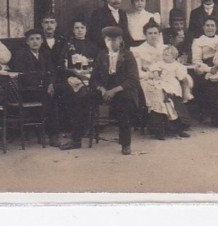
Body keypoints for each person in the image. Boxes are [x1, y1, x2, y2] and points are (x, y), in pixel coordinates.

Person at [89, 26, 142, 155]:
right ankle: (77, 138)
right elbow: (93, 79)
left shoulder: (128, 55)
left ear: (120, 40)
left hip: (122, 89)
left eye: (114, 40)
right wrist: (102, 89)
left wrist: (113, 91)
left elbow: (133, 80)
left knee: (124, 105)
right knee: (85, 97)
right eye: (108, 40)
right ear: (105, 41)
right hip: (105, 89)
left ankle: (125, 143)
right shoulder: (101, 55)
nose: (111, 43)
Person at [131, 22, 190, 140]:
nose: (153, 36)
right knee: (158, 92)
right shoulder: (137, 50)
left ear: (159, 34)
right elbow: (137, 72)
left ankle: (175, 127)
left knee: (172, 92)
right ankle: (159, 129)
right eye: (150, 33)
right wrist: (151, 75)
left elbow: (175, 64)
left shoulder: (166, 48)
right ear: (145, 35)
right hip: (147, 79)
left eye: (155, 33)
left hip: (167, 79)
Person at [10, 28, 59, 145]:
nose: (35, 42)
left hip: (43, 88)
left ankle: (53, 132)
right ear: (27, 42)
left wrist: (51, 84)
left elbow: (51, 72)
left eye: (38, 39)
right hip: (26, 91)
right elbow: (23, 76)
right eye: (31, 39)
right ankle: (51, 135)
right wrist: (44, 81)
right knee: (49, 99)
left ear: (42, 41)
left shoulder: (45, 54)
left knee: (57, 93)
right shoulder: (21, 55)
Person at [58, 18, 99, 150]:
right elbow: (63, 65)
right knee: (77, 96)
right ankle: (76, 138)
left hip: (90, 78)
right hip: (73, 78)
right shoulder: (68, 45)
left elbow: (98, 65)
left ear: (86, 30)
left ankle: (81, 131)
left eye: (82, 27)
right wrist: (76, 73)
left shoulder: (92, 45)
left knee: (85, 95)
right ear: (73, 30)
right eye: (76, 28)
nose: (79, 30)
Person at [191, 17, 218, 122]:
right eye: (207, 25)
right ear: (203, 27)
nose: (210, 28)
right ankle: (216, 117)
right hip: (206, 68)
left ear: (216, 27)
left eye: (212, 25)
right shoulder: (198, 41)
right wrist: (209, 69)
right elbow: (197, 61)